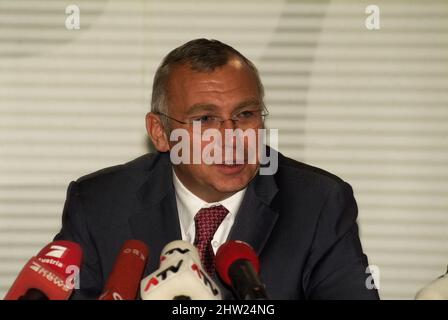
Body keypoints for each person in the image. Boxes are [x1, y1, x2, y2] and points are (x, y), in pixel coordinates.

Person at [54, 38, 380, 300]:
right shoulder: (98, 204)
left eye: (245, 114)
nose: (232, 137)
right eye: (205, 119)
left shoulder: (319, 204)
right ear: (160, 133)